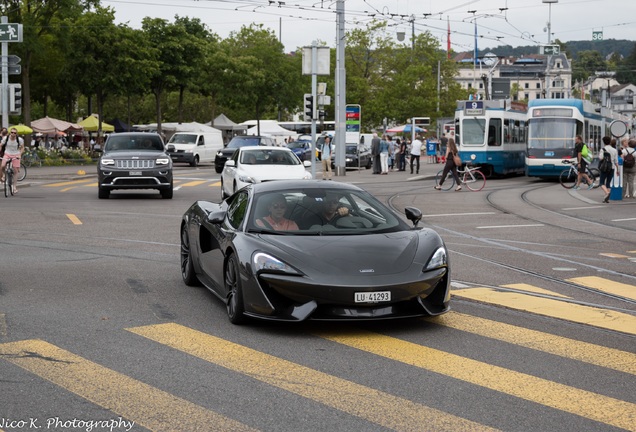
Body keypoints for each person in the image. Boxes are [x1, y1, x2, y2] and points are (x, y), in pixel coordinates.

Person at [0, 128, 25, 194]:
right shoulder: (6, 138)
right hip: (7, 154)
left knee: (15, 171)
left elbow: (22, 148)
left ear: (16, 134)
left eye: (15, 133)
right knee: (2, 166)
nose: (13, 134)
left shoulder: (19, 140)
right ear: (9, 132)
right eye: (12, 132)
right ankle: (4, 175)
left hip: (15, 154)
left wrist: (19, 154)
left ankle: (14, 187)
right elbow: (1, 145)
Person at [598, 136, 619, 203]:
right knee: (608, 183)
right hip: (612, 168)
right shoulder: (614, 150)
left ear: (603, 142)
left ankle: (607, 193)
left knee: (601, 183)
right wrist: (618, 170)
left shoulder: (603, 149)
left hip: (604, 168)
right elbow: (616, 161)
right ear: (610, 141)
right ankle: (606, 198)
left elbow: (601, 158)